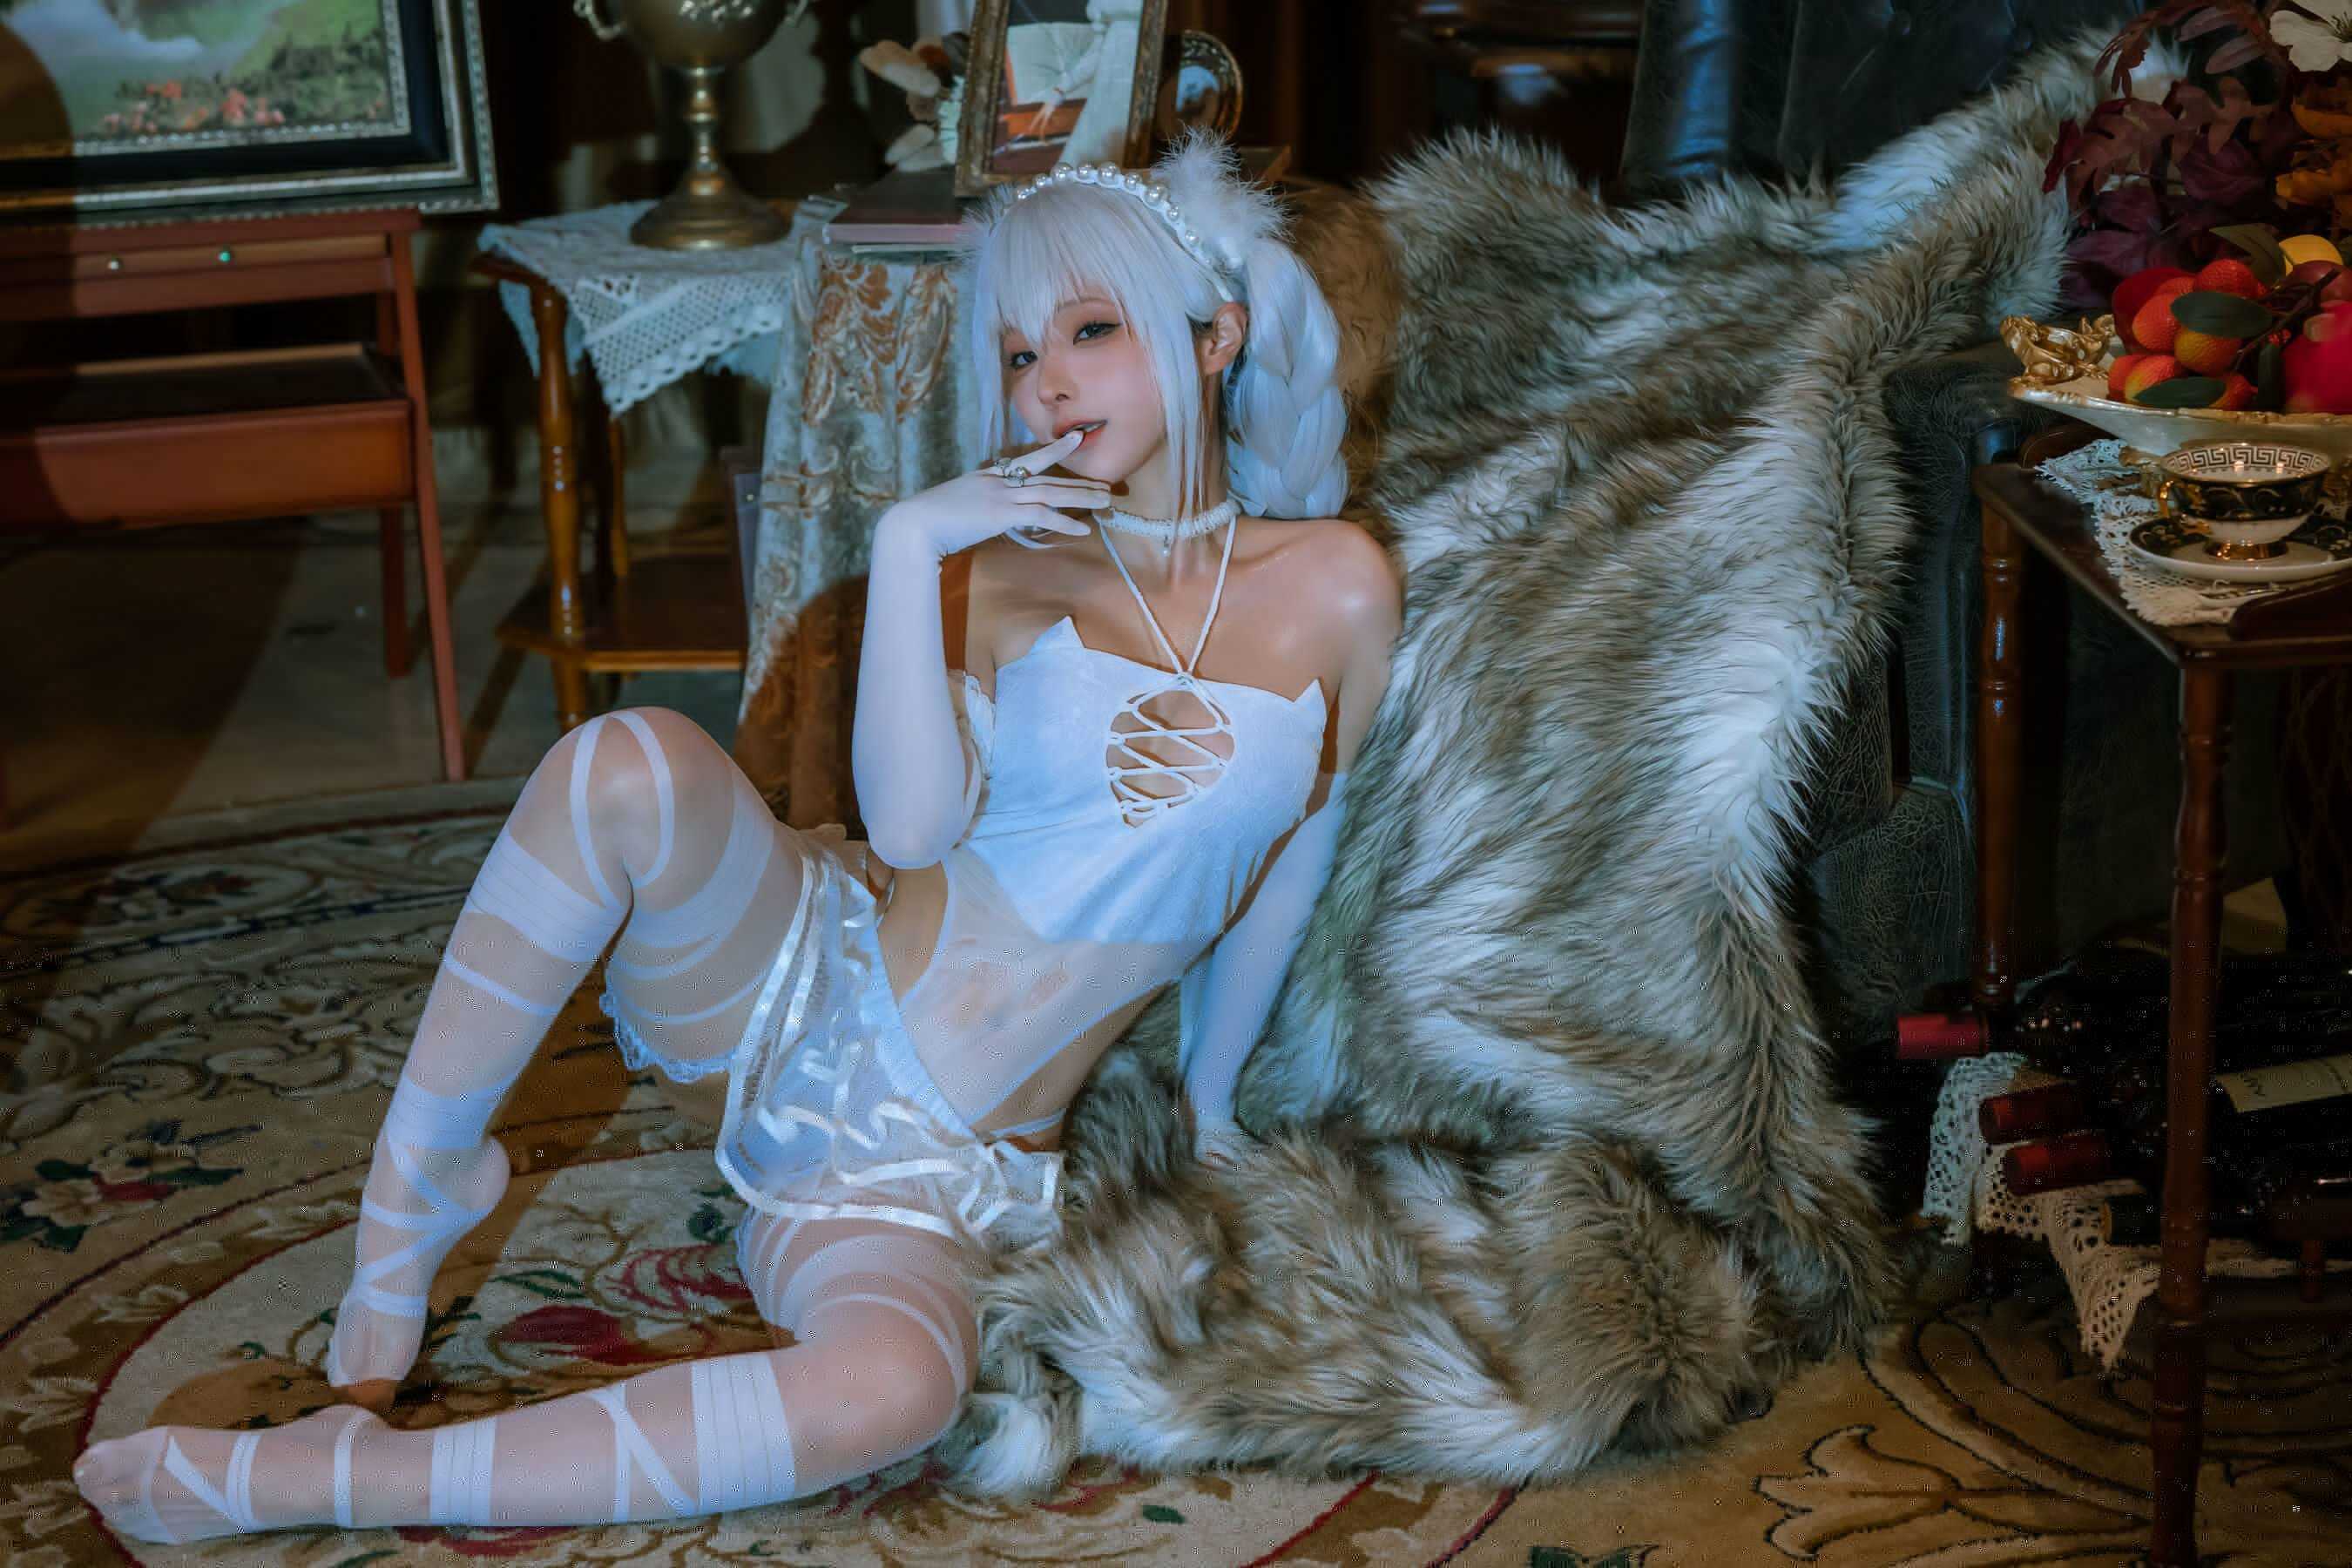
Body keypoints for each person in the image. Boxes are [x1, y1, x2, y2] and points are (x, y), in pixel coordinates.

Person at [71, 132, 1401, 1541]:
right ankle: (418, 1186)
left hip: (930, 1173)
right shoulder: (1000, 574)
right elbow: (912, 828)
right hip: (796, 986)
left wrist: (1209, 1102)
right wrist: (910, 547)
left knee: (891, 1395)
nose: (1048, 384)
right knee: (628, 762)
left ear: (1216, 337)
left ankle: (329, 1477)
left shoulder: (1337, 587)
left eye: (1089, 332)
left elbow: (1294, 853)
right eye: (1019, 355)